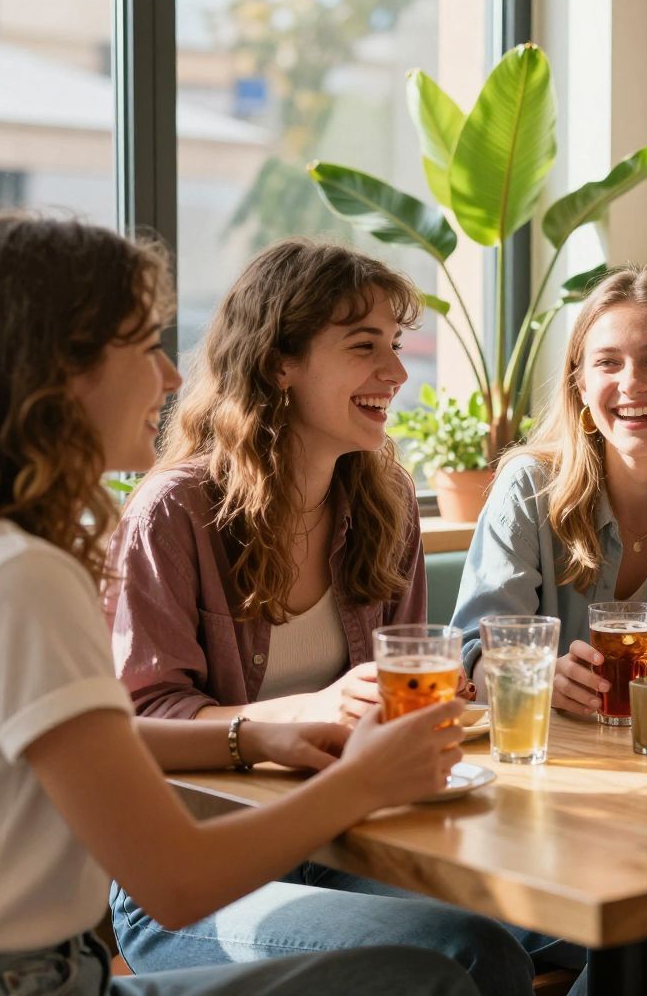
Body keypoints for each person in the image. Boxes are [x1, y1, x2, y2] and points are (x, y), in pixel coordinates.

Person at [0, 211, 477, 996]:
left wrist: (266, 734)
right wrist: (362, 781)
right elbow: (175, 884)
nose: (173, 377)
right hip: (15, 982)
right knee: (427, 976)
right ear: (59, 370)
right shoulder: (21, 579)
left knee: (462, 954)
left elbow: (93, 743)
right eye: (144, 346)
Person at [104, 238, 530, 994]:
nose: (397, 373)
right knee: (471, 949)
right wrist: (320, 706)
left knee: (620, 924)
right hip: (200, 873)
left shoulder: (385, 502)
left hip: (360, 845)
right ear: (279, 361)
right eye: (364, 347)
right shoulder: (175, 512)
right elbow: (144, 718)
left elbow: (396, 697)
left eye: (396, 347)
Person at [450, 266, 647, 995]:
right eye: (608, 362)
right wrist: (532, 674)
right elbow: (476, 653)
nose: (633, 382)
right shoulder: (529, 484)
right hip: (539, 812)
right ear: (580, 384)